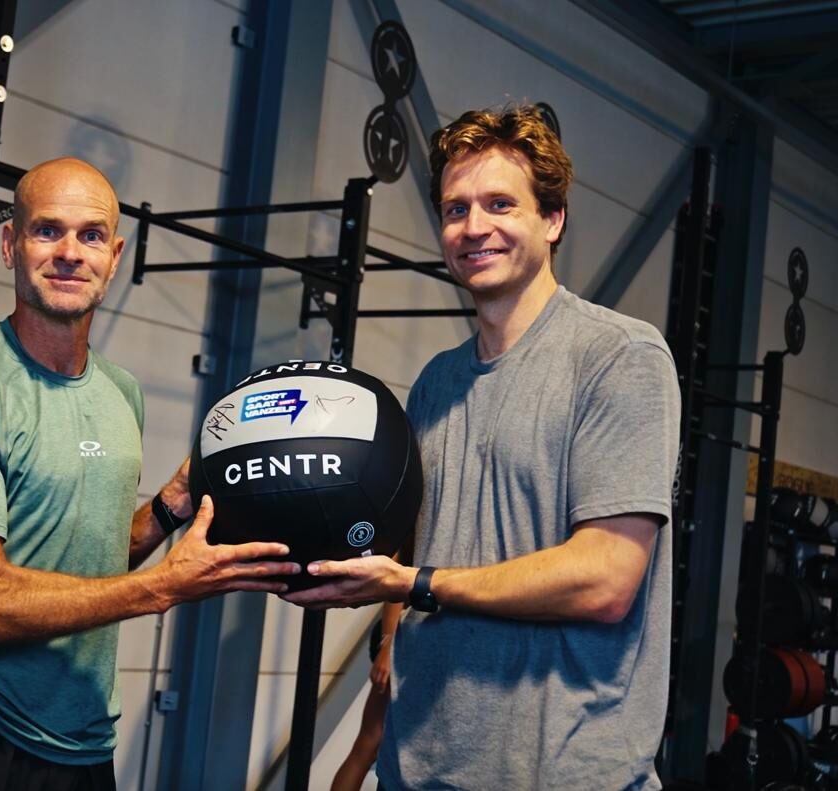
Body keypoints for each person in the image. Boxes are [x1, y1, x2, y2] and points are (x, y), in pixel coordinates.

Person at [0, 157, 301, 791]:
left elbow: (85, 559)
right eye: (48, 231)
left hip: (83, 735)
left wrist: (170, 506)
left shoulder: (122, 392)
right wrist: (163, 588)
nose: (70, 253)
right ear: (10, 245)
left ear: (115, 256)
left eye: (91, 235)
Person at [284, 106, 680, 790]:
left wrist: (416, 585)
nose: (473, 227)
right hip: (420, 766)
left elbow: (606, 579)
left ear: (552, 219)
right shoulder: (436, 383)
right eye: (455, 209)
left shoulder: (619, 356)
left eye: (500, 204)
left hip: (561, 775)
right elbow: (407, 544)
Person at [330, 601, 402, 791]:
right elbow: (396, 593)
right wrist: (389, 645)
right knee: (368, 744)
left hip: (424, 638)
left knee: (368, 744)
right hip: (407, 639)